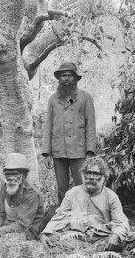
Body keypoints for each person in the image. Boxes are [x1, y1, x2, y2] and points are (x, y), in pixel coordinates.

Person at [41, 156, 135, 253]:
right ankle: (91, 250)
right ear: (83, 175)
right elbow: (60, 216)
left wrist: (115, 236)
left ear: (103, 177)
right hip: (76, 236)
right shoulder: (72, 193)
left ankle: (87, 249)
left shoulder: (111, 196)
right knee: (52, 238)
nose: (91, 177)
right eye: (88, 173)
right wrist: (46, 233)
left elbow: (120, 221)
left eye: (95, 174)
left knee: (119, 241)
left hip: (101, 237)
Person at [40, 60, 97, 205]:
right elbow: (48, 126)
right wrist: (47, 152)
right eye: (63, 76)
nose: (66, 78)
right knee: (62, 188)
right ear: (59, 79)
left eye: (69, 75)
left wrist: (90, 151)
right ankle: (63, 217)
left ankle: (84, 216)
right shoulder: (53, 99)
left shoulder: (85, 98)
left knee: (82, 186)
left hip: (79, 150)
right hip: (59, 150)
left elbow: (91, 125)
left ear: (75, 78)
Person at [0, 152, 47, 244]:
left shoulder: (31, 194)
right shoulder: (5, 188)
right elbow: (0, 215)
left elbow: (22, 225)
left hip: (26, 232)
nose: (10, 178)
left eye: (15, 174)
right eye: (8, 174)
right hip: (8, 227)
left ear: (24, 175)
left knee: (1, 243)